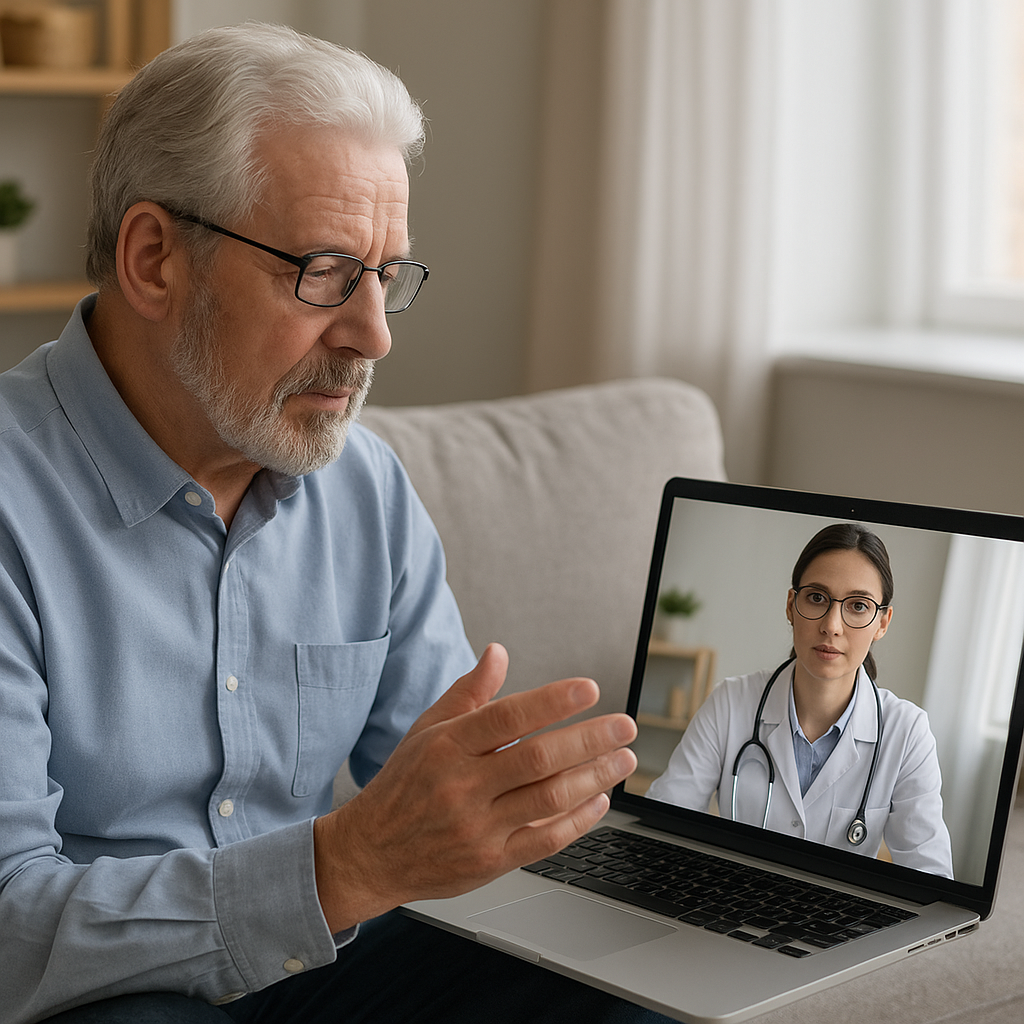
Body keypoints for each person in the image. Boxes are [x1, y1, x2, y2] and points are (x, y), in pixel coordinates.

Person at [0, 23, 661, 1024]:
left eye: (386, 275)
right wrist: (340, 863)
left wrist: (584, 822)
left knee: (627, 996)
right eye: (321, 272)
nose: (373, 336)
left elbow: (451, 793)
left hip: (322, 968)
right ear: (151, 259)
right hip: (93, 991)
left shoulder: (364, 488)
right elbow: (10, 930)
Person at [647, 523, 954, 877]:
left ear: (882, 623)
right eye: (817, 598)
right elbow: (663, 825)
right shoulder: (731, 702)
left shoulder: (907, 732)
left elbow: (931, 879)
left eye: (857, 606)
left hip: (838, 923)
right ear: (792, 606)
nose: (832, 625)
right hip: (730, 902)